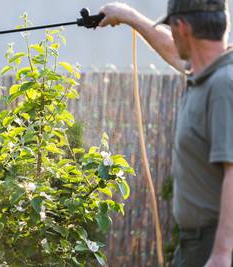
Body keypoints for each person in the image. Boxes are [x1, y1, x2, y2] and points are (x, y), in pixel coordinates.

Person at [98, 1, 233, 266]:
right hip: (195, 245)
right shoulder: (207, 75)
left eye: (171, 28)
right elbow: (176, 53)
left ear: (181, 28)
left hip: (214, 246)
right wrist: (128, 17)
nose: (170, 34)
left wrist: (222, 253)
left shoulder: (223, 86)